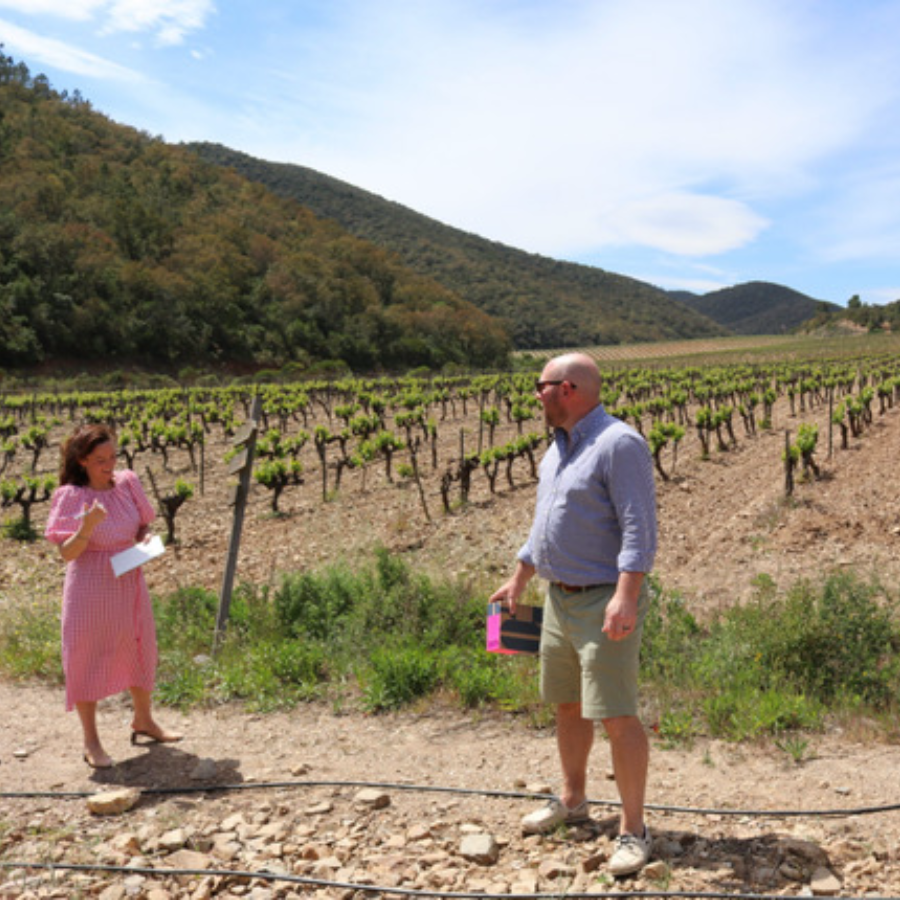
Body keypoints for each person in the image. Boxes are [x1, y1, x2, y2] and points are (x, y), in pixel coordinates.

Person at [490, 353, 657, 877]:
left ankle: (634, 830)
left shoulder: (619, 444)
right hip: (559, 599)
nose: (534, 396)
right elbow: (545, 523)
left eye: (539, 387)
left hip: (602, 598)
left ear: (567, 389)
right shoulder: (556, 449)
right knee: (567, 705)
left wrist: (626, 595)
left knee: (617, 714)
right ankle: (574, 800)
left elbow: (639, 527)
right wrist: (519, 577)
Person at [45, 424, 182, 769]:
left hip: (129, 578)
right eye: (100, 460)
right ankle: (91, 741)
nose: (110, 466)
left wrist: (145, 544)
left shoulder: (128, 483)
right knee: (86, 656)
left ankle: (144, 720)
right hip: (90, 586)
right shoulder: (71, 497)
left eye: (113, 457)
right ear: (82, 461)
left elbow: (144, 525)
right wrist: (87, 527)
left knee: (140, 646)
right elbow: (67, 553)